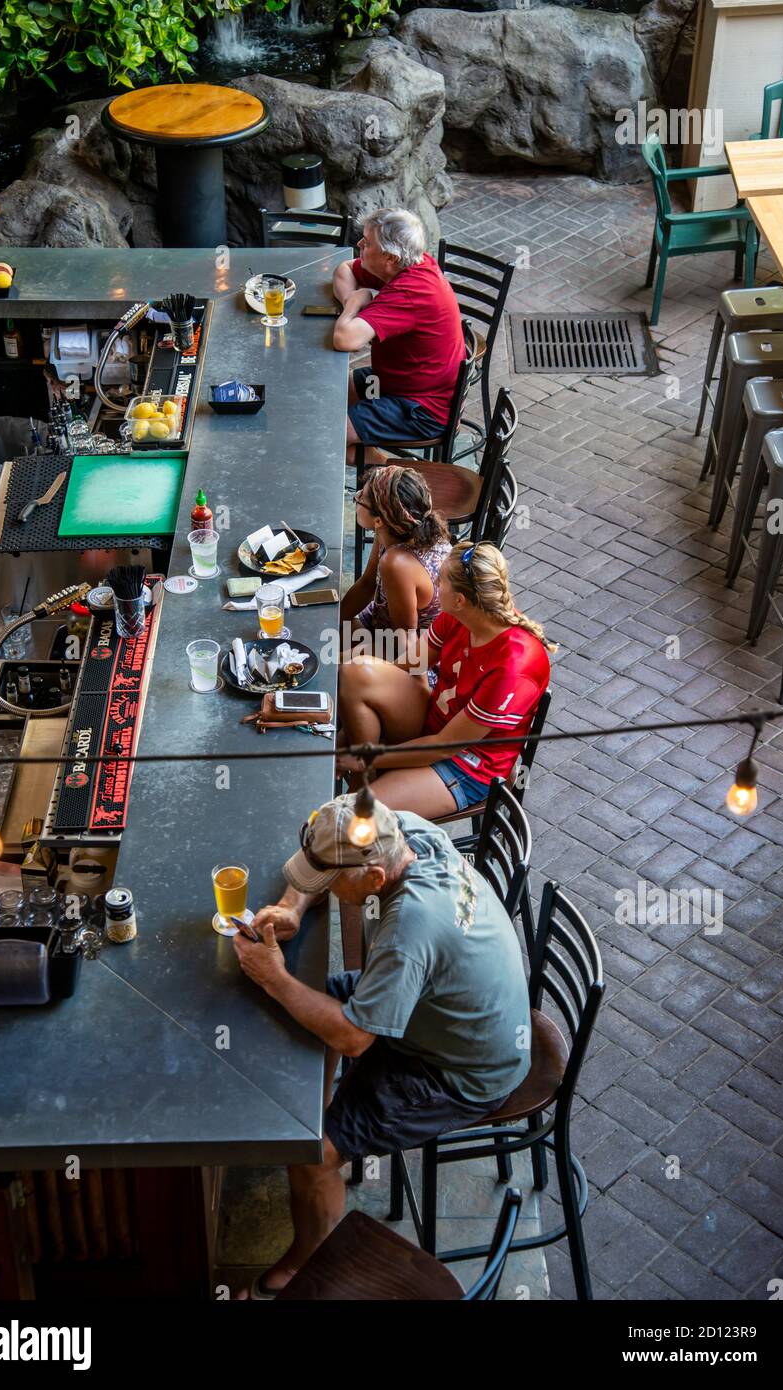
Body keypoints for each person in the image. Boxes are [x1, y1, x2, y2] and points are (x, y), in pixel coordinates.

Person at [232, 794, 532, 1299]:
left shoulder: (408, 932)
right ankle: (323, 1110)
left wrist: (274, 978)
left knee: (313, 1155)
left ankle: (304, 1265)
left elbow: (352, 1038)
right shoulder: (405, 830)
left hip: (460, 1071)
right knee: (315, 1007)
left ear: (373, 880)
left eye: (328, 883)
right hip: (439, 1009)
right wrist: (292, 905)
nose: (320, 887)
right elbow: (325, 865)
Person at [337, 542, 556, 818]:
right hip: (434, 725)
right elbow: (406, 665)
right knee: (356, 672)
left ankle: (363, 798)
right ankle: (362, 779)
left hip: (466, 765)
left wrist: (367, 756)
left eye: (439, 579)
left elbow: (443, 746)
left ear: (461, 599)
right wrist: (345, 736)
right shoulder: (462, 614)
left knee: (354, 814)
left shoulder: (513, 667)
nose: (434, 583)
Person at [332, 208, 466, 450]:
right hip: (391, 381)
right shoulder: (410, 264)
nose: (360, 244)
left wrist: (354, 304)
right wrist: (352, 298)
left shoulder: (410, 293)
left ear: (390, 257)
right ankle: (381, 470)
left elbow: (344, 339)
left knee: (326, 432)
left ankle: (392, 473)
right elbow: (344, 269)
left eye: (368, 242)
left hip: (422, 409)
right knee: (330, 388)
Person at [340, 463, 452, 664]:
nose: (356, 498)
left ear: (378, 520)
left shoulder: (396, 564)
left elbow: (404, 643)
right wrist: (334, 620)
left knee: (333, 667)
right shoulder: (394, 529)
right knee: (323, 633)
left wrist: (347, 659)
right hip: (381, 627)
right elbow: (367, 584)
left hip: (416, 659)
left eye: (361, 498)